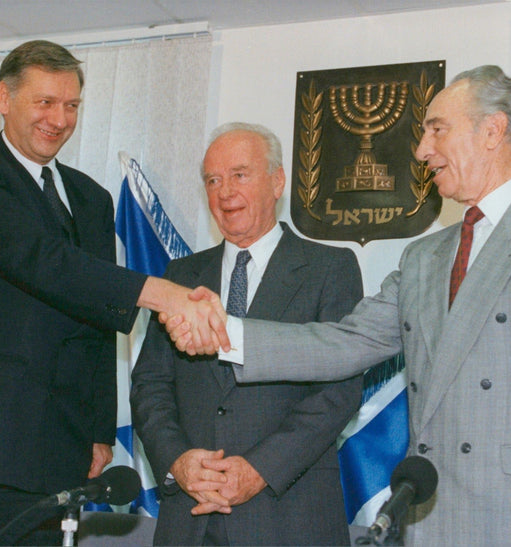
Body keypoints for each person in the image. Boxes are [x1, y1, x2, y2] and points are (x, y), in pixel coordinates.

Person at [168, 67, 511, 545]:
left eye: (438, 129)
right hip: (431, 520)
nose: (421, 150)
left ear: (493, 131)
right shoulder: (424, 257)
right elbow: (343, 341)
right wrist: (225, 331)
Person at [0, 40, 226, 546]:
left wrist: (100, 430)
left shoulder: (91, 199)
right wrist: (163, 295)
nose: (59, 119)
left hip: (54, 451)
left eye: (72, 105)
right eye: (45, 102)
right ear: (4, 98)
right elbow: (44, 263)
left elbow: (97, 321)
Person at [130, 122, 363, 545]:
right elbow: (150, 385)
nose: (224, 192)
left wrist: (258, 470)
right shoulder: (181, 276)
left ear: (277, 182)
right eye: (213, 180)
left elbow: (338, 393)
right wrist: (178, 462)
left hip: (287, 515)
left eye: (239, 174)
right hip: (191, 515)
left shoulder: (331, 269)